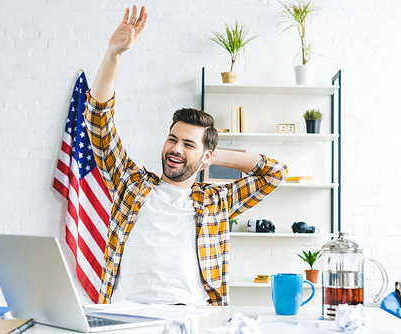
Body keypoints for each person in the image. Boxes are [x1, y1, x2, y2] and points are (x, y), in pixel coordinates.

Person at [84, 5, 288, 306]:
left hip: (191, 318)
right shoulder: (130, 185)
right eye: (172, 139)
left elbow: (275, 172)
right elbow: (99, 122)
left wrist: (212, 157)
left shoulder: (216, 203)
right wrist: (114, 53)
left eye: (188, 145)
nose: (176, 148)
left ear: (205, 156)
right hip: (126, 315)